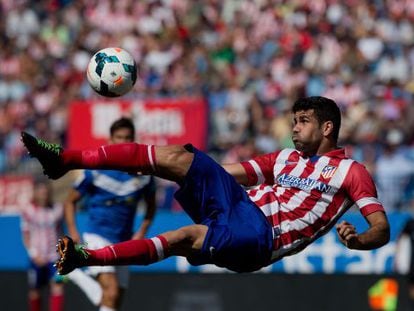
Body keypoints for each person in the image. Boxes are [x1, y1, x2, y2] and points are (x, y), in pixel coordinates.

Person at [21, 96, 390, 275]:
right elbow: (223, 172)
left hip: (262, 236)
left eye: (304, 120)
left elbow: (381, 229)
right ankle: (63, 161)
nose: (294, 127)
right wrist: (161, 168)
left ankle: (88, 257)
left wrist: (358, 240)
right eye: (293, 120)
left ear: (327, 128)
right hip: (239, 206)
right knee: (182, 157)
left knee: (185, 236)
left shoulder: (351, 172)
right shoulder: (283, 158)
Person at [63, 117, 157, 311]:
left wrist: (141, 232)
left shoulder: (144, 175)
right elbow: (70, 201)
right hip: (97, 235)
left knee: (114, 300)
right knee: (111, 291)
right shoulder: (95, 170)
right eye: (119, 137)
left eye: (128, 138)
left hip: (124, 241)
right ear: (110, 141)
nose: (123, 142)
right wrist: (74, 232)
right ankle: (78, 272)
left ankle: (77, 274)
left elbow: (151, 207)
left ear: (134, 141)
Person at [21, 180, 64, 311]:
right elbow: (26, 235)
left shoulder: (57, 209)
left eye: (46, 192)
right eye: (41, 192)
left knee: (58, 287)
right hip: (37, 257)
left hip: (54, 257)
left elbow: (61, 232)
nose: (44, 195)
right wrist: (34, 254)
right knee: (35, 290)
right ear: (35, 193)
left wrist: (62, 254)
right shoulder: (28, 210)